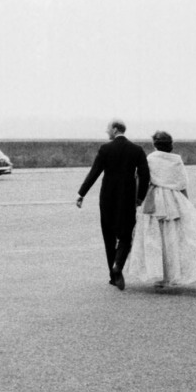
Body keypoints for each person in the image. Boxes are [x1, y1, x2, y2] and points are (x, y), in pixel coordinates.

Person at [127, 131, 196, 288]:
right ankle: (173, 274)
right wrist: (186, 204)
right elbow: (182, 183)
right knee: (174, 238)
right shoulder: (177, 160)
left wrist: (137, 200)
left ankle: (158, 274)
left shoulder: (150, 159)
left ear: (155, 144)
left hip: (154, 198)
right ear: (170, 145)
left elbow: (143, 180)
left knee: (155, 238)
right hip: (174, 200)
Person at [76, 120, 150, 290]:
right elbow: (144, 175)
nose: (106, 131)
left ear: (115, 129)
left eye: (108, 128)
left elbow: (94, 172)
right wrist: (140, 198)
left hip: (107, 198)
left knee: (108, 236)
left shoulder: (105, 149)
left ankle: (113, 275)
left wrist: (82, 194)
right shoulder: (137, 150)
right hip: (127, 198)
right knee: (125, 236)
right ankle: (118, 265)